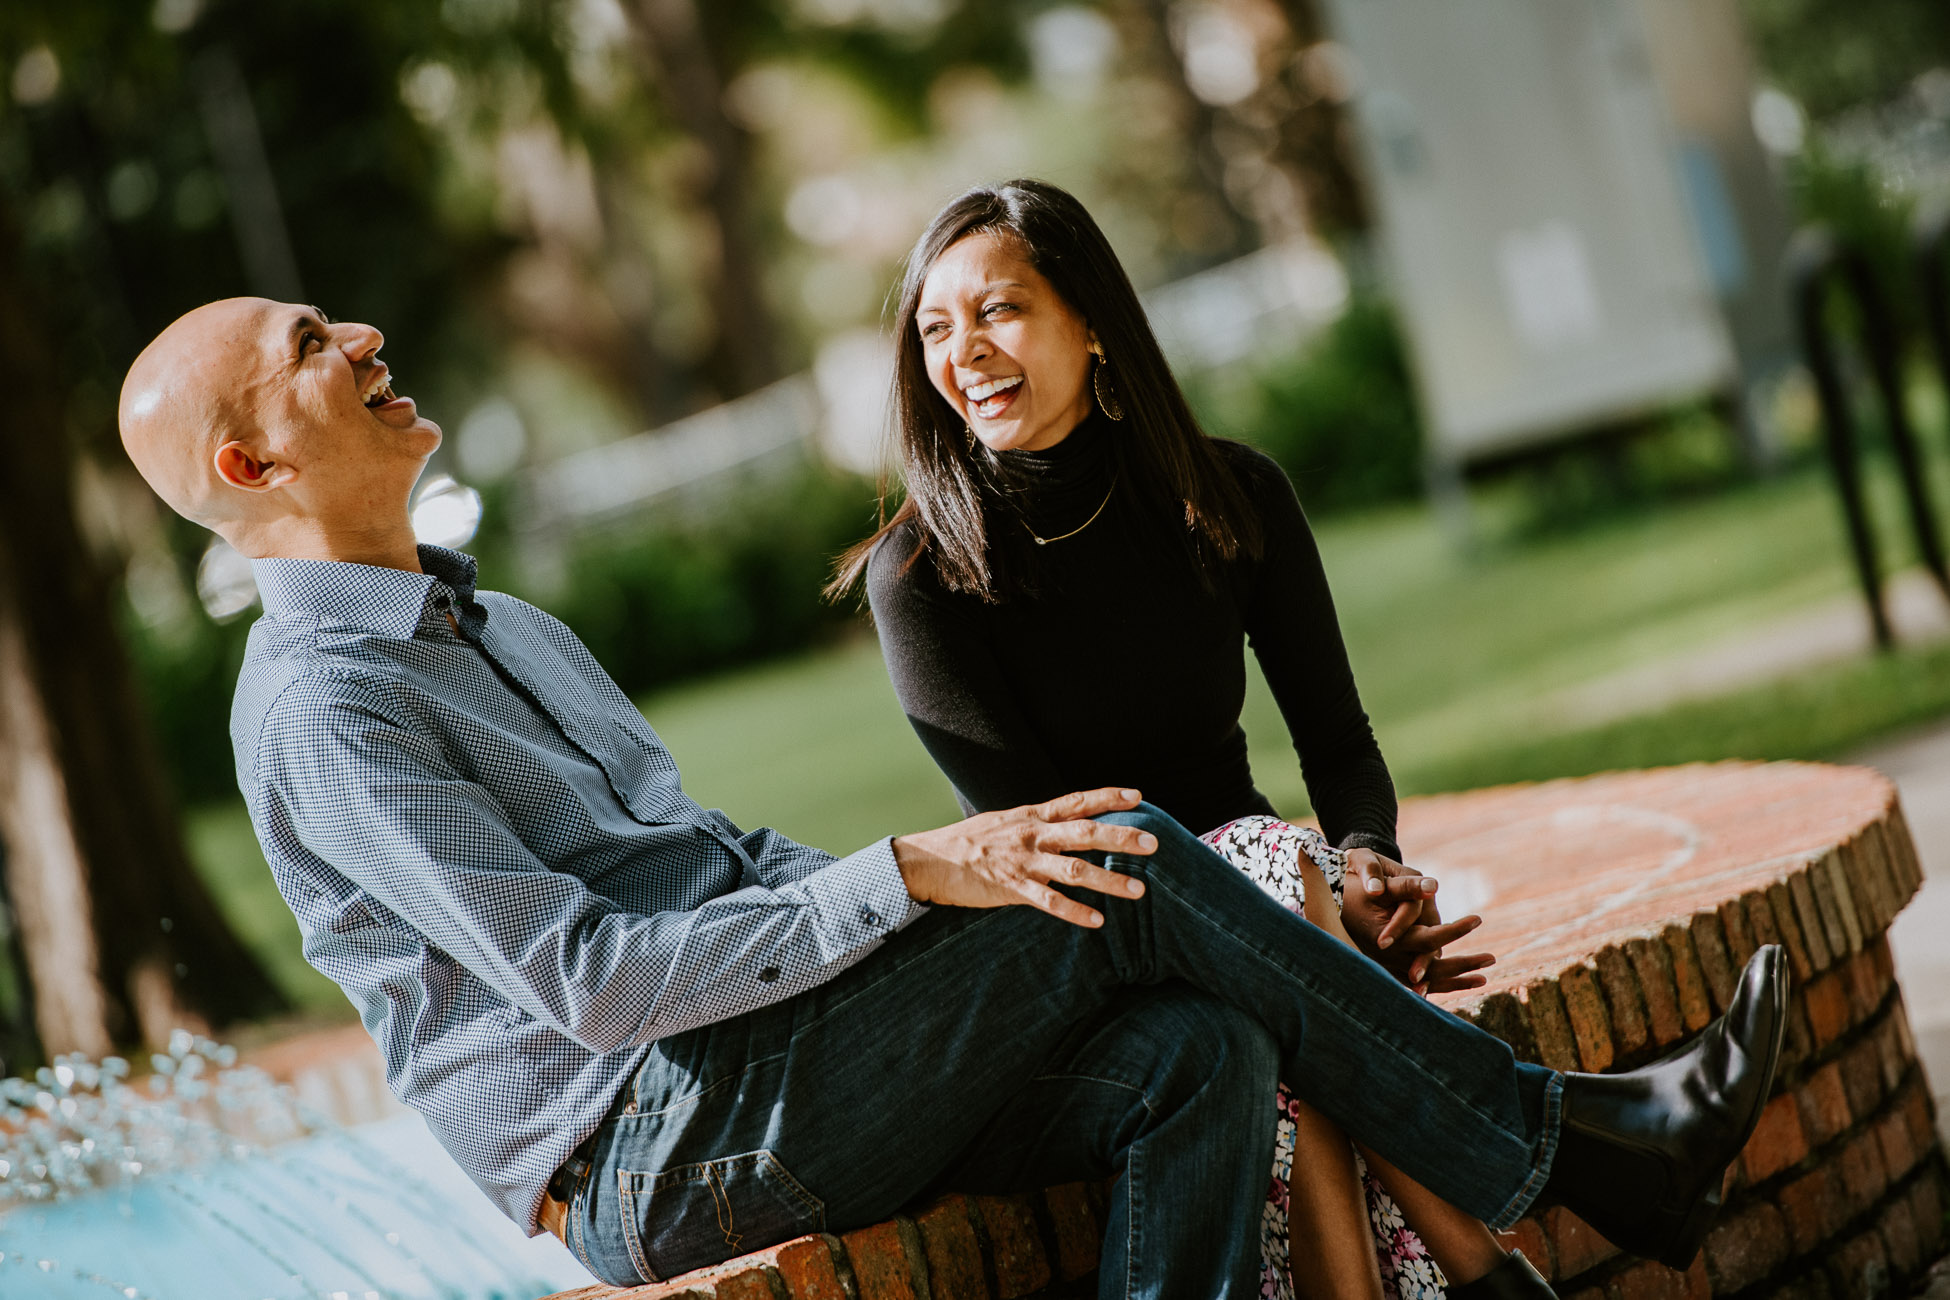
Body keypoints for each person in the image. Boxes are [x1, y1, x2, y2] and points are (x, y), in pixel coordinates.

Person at [117, 295, 1787, 1300]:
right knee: (1124, 849)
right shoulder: (328, 709)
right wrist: (917, 872)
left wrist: (922, 879)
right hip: (654, 1148)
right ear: (253, 470)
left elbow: (716, 861)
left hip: (760, 1068)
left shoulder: (499, 622)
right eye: (310, 350)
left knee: (1190, 1056)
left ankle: (1590, 1151)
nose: (365, 340)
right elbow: (594, 981)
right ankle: (1574, 1148)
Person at [839, 178, 1509, 1295]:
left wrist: (1361, 861)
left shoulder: (1233, 496)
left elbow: (1338, 744)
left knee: (1281, 927)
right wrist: (1307, 927)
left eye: (999, 310)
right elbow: (1067, 842)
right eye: (937, 329)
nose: (966, 352)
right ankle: (1491, 1258)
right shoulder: (920, 576)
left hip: (1273, 909)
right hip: (1088, 945)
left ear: (1091, 318)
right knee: (1266, 882)